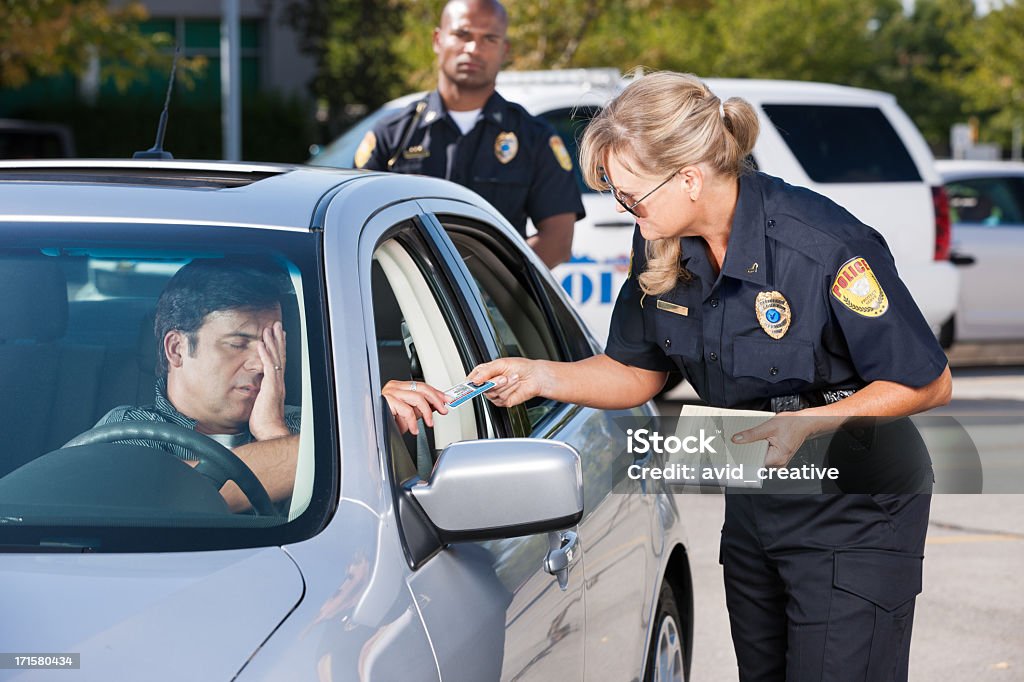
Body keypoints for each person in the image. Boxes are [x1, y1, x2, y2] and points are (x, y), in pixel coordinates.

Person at [470, 72, 952, 681]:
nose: (625, 210)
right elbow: (635, 371)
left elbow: (928, 381)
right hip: (758, 498)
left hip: (856, 509)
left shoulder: (823, 246)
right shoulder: (665, 242)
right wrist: (539, 375)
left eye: (631, 195)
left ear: (689, 178)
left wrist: (811, 421)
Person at [97, 258, 449, 512]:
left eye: (271, 345)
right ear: (176, 348)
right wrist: (365, 427)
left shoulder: (312, 425)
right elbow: (169, 498)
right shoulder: (129, 430)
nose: (260, 364)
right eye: (238, 344)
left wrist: (273, 429)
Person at [353, 0, 584, 268]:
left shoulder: (535, 138)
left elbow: (558, 241)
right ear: (438, 40)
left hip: (492, 308)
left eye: (489, 38)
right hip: (403, 302)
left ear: (504, 50)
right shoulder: (392, 136)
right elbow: (357, 227)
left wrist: (491, 286)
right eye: (462, 35)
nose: (473, 49)